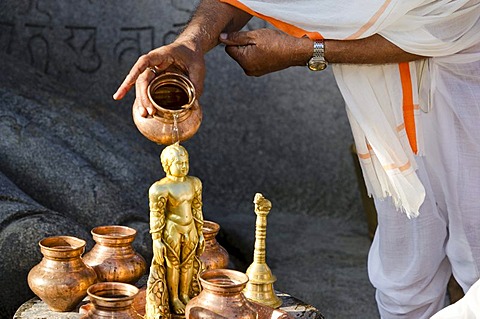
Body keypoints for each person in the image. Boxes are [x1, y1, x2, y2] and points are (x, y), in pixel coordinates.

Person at [114, 1, 480, 318]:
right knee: (404, 268)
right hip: (387, 114)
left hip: (467, 89)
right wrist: (189, 44)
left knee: (474, 251)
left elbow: (449, 23)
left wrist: (308, 51)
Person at [145, 143, 205, 318]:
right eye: (179, 163)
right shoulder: (160, 188)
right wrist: (156, 239)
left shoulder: (194, 183)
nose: (184, 166)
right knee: (173, 264)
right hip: (172, 229)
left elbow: (197, 208)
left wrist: (200, 233)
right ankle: (174, 298)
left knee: (188, 262)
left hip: (191, 228)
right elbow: (156, 215)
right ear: (167, 165)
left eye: (186, 162)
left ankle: (186, 295)